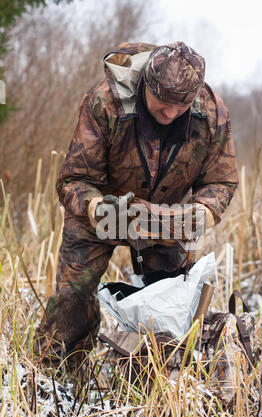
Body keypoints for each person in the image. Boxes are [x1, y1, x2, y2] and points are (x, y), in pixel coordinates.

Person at [34, 41, 239, 362]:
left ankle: (154, 391)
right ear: (146, 84)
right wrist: (96, 208)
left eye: (180, 105)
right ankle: (56, 379)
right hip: (101, 212)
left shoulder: (211, 112)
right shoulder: (105, 102)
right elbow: (74, 179)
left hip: (167, 220)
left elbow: (221, 181)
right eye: (162, 102)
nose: (170, 112)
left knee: (168, 312)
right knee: (73, 298)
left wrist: (199, 215)